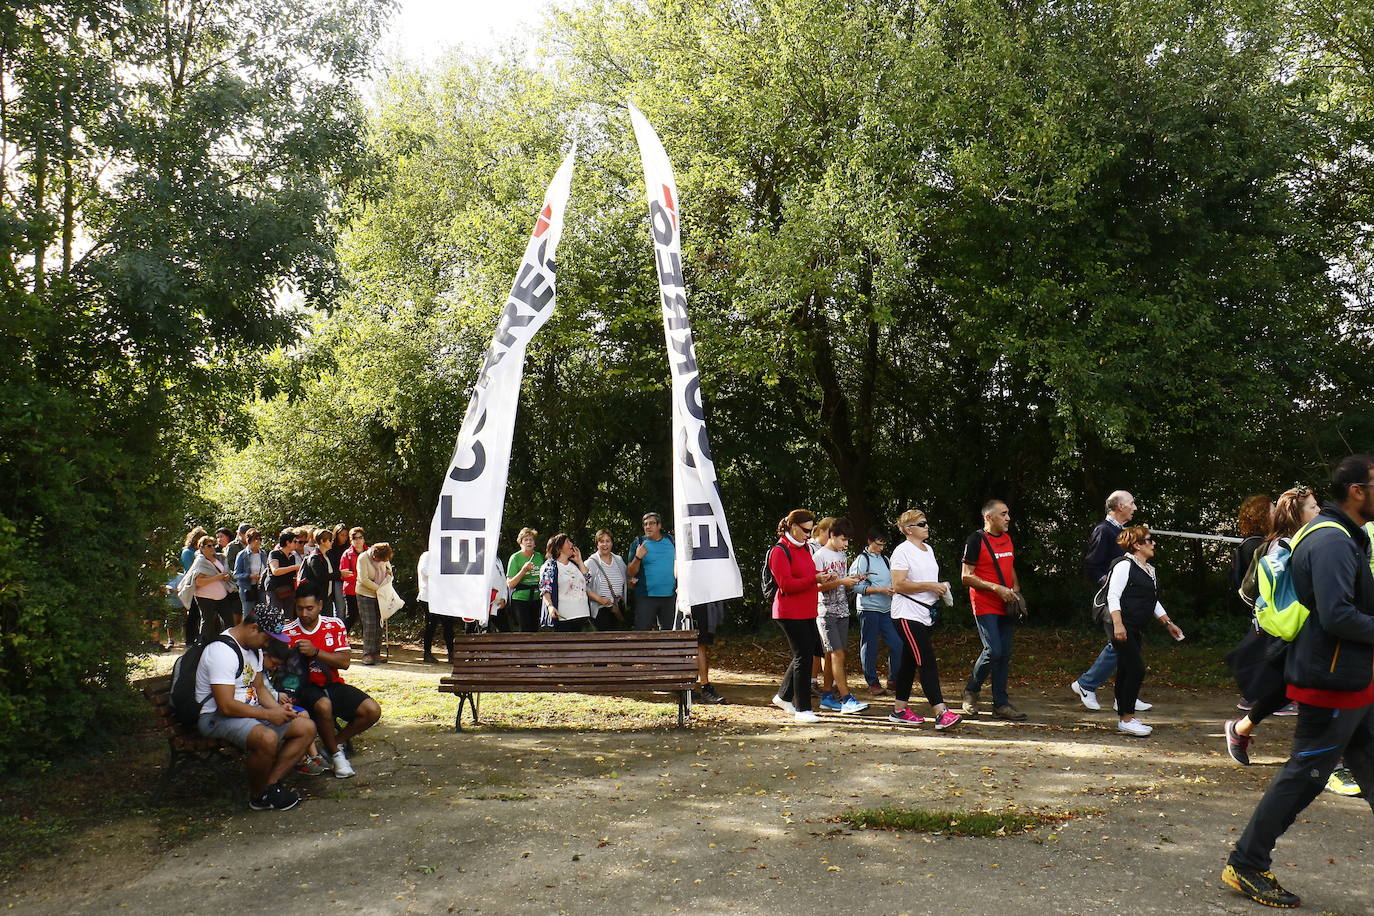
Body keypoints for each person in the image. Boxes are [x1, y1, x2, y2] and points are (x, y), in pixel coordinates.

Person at [1221, 454, 1374, 909]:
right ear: (1357, 491)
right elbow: (1337, 614)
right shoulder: (1331, 541)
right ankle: (1246, 864)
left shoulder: (1347, 536)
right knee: (1303, 777)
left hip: (1353, 678)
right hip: (1330, 680)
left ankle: (1246, 862)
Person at [1225, 486, 1321, 764]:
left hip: (1295, 629)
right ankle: (1321, 760)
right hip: (1291, 629)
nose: (1319, 512)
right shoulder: (1285, 545)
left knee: (1289, 688)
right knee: (1302, 686)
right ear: (1297, 513)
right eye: (1313, 507)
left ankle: (1241, 729)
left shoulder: (1298, 540)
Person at [193, 612, 316, 811]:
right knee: (266, 738)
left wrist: (279, 710)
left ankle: (269, 786)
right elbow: (225, 705)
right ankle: (258, 796)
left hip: (249, 711)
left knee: (306, 727)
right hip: (216, 717)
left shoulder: (254, 649)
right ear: (253, 628)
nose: (267, 644)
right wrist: (269, 715)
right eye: (266, 638)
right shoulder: (221, 651)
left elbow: (259, 688)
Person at [281, 583, 382, 779]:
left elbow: (344, 662)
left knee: (372, 710)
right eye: (299, 608)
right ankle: (337, 755)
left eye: (309, 608)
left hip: (333, 683)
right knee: (324, 705)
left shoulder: (334, 625)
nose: (304, 613)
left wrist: (316, 652)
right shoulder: (288, 631)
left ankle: (332, 744)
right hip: (304, 688)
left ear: (320, 605)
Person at [1070, 491, 1153, 713]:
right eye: (1131, 503)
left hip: (1131, 602)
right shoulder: (1104, 531)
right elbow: (1092, 566)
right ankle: (1086, 684)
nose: (1135, 507)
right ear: (1119, 507)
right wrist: (1111, 583)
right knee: (1121, 645)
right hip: (1113, 601)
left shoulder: (1123, 532)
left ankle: (1125, 696)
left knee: (1128, 645)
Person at [1101, 526, 1185, 737]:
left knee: (1126, 669)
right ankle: (1126, 718)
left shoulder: (1148, 569)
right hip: (1122, 624)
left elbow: (1151, 600)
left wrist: (1168, 623)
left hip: (1135, 626)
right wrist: (1118, 625)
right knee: (1136, 668)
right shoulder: (1124, 565)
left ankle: (1125, 716)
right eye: (1149, 540)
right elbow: (1113, 596)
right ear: (1137, 545)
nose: (1153, 543)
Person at [887, 509, 962, 729]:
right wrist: (930, 586)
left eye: (926, 522)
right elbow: (898, 584)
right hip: (906, 614)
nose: (926, 526)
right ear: (909, 529)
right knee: (926, 660)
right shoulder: (902, 551)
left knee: (909, 663)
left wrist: (940, 588)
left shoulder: (928, 549)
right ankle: (940, 712)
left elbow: (927, 578)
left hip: (925, 613)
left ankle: (899, 710)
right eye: (921, 524)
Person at [961, 499, 1027, 720]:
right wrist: (996, 588)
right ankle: (971, 690)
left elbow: (1009, 565)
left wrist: (1015, 589)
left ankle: (1000, 704)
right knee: (993, 651)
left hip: (1006, 604)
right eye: (1003, 514)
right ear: (989, 517)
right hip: (985, 603)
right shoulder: (975, 540)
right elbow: (966, 576)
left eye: (1008, 513)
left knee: (1004, 654)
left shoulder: (1007, 539)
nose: (1008, 518)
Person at [769, 510, 832, 724]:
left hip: (806, 610)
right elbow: (786, 585)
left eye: (811, 530)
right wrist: (814, 579)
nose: (808, 535)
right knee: (804, 656)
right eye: (805, 530)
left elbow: (807, 576)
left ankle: (783, 696)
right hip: (788, 612)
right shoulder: (779, 551)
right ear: (792, 526)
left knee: (805, 653)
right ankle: (803, 709)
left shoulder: (804, 547)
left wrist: (821, 577)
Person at [812, 518, 868, 714]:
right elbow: (816, 586)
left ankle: (827, 696)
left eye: (847, 541)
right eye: (843, 540)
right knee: (838, 654)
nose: (845, 544)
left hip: (842, 610)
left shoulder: (842, 556)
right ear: (832, 535)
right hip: (825, 612)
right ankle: (846, 698)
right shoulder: (819, 556)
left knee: (832, 653)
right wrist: (842, 581)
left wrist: (852, 580)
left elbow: (840, 580)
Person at [1231, 494, 1277, 713]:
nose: (1276, 512)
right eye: (1272, 509)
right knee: (1262, 650)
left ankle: (1255, 695)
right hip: (1263, 607)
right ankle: (1253, 696)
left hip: (1259, 608)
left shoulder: (1253, 543)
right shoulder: (1258, 546)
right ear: (1262, 516)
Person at [850, 526, 902, 696]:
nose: (881, 548)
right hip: (868, 609)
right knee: (870, 645)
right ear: (869, 542)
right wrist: (880, 590)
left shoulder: (886, 560)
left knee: (897, 644)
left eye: (883, 545)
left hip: (886, 608)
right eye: (878, 544)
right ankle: (872, 682)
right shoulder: (862, 560)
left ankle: (893, 679)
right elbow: (855, 586)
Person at [539, 534, 608, 632]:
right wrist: (550, 606)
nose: (571, 544)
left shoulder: (575, 564)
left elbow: (588, 580)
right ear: (559, 548)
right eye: (567, 542)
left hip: (583, 615)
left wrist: (579, 561)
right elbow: (545, 589)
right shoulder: (550, 566)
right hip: (564, 617)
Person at [627, 512, 676, 631]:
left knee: (670, 634)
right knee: (642, 633)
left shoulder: (671, 541)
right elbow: (630, 573)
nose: (647, 527)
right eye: (645, 524)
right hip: (646, 597)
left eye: (651, 523)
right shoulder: (638, 543)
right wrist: (638, 557)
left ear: (659, 526)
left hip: (670, 596)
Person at [679, 601, 728, 704]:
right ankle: (690, 687)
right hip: (687, 605)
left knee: (701, 645)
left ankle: (701, 687)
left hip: (703, 604)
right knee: (691, 645)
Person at [189, 535, 236, 640]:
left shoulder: (220, 558)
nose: (212, 548)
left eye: (213, 545)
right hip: (205, 598)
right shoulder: (200, 562)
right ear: (201, 548)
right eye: (209, 546)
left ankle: (228, 643)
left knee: (229, 622)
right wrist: (216, 578)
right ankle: (202, 646)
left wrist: (227, 576)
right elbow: (198, 582)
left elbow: (225, 571)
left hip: (222, 597)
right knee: (208, 623)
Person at [355, 541, 393, 664]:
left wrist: (388, 578)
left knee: (379, 624)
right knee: (370, 624)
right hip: (365, 594)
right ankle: (367, 654)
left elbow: (389, 571)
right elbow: (363, 579)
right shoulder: (363, 558)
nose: (381, 561)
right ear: (375, 555)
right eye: (380, 559)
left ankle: (376, 653)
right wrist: (379, 589)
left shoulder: (384, 557)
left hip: (380, 595)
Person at [585, 529, 628, 631]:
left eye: (608, 541)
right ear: (597, 544)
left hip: (617, 608)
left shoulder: (619, 560)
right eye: (601, 541)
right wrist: (599, 599)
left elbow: (626, 580)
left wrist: (631, 582)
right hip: (600, 610)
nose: (605, 544)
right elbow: (583, 586)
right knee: (605, 641)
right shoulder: (590, 563)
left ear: (612, 543)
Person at [419, 549, 455, 662]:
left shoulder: (448, 556)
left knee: (448, 626)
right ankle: (427, 653)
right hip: (429, 597)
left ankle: (451, 653)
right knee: (431, 626)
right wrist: (442, 570)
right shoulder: (427, 555)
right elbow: (425, 571)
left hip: (444, 598)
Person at [505, 528, 544, 633]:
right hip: (520, 599)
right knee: (525, 629)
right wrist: (523, 570)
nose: (529, 542)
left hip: (536, 598)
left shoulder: (539, 557)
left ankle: (535, 649)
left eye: (531, 540)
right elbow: (510, 584)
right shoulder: (515, 558)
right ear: (520, 543)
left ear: (535, 543)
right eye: (525, 540)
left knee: (534, 629)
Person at [179, 526, 208, 646]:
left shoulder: (198, 552)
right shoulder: (187, 552)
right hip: (191, 585)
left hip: (200, 585)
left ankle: (196, 637)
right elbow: (190, 569)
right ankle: (189, 639)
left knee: (197, 613)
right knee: (192, 613)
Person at [266, 529, 303, 620]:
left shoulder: (292, 556)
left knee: (289, 617)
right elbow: (275, 571)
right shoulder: (274, 554)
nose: (297, 543)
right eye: (295, 541)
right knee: (274, 617)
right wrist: (294, 567)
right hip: (275, 590)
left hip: (288, 590)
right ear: (287, 542)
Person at [233, 528, 268, 621]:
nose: (257, 542)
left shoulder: (263, 553)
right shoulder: (242, 555)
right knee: (248, 615)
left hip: (261, 588)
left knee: (262, 613)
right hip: (247, 589)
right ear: (249, 540)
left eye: (259, 539)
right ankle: (247, 634)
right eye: (255, 539)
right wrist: (250, 576)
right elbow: (236, 575)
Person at [299, 529, 337, 606]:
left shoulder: (328, 555)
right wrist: (340, 574)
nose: (332, 542)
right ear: (322, 541)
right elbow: (320, 576)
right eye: (330, 540)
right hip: (316, 597)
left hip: (327, 596)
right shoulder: (315, 557)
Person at [339, 528, 366, 631]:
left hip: (367, 590)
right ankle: (341, 639)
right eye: (355, 538)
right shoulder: (347, 554)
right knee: (352, 616)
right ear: (351, 540)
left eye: (360, 537)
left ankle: (369, 643)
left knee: (367, 618)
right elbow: (344, 574)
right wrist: (362, 577)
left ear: (363, 539)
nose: (358, 540)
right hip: (351, 590)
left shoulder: (370, 552)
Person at [326, 524, 349, 621]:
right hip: (336, 580)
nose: (344, 538)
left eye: (346, 535)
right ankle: (339, 630)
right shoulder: (330, 549)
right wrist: (339, 574)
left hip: (348, 580)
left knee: (347, 609)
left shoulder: (348, 548)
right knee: (340, 607)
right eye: (342, 535)